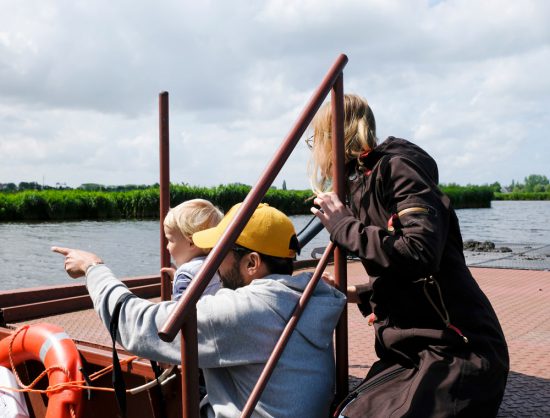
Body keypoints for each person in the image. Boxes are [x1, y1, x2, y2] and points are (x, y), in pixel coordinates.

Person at [308, 94, 509, 417]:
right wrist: (359, 294)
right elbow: (410, 275)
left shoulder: (397, 168)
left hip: (459, 351)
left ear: (329, 138)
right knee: (344, 412)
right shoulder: (362, 184)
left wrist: (344, 226)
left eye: (313, 142)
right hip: (412, 353)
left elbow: (420, 251)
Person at [52, 203, 346, 418]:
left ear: (252, 264)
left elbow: (134, 325)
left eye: (220, 253)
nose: (212, 262)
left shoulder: (245, 311)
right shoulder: (308, 297)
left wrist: (94, 268)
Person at [161, 199, 223, 301]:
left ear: (192, 242)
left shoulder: (185, 276)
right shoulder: (219, 266)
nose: (167, 247)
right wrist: (176, 276)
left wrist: (181, 278)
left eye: (170, 240)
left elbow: (180, 311)